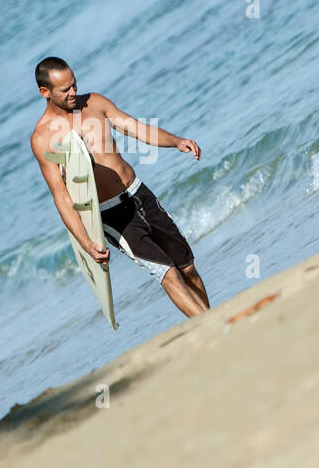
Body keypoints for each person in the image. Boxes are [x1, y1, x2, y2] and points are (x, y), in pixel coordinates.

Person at [28, 57, 210, 317]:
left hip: (138, 192)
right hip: (110, 214)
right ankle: (212, 325)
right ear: (44, 92)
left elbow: (137, 128)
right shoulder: (43, 138)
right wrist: (86, 242)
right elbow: (62, 198)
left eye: (74, 85)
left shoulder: (94, 103)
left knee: (187, 267)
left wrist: (176, 141)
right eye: (65, 90)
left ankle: (214, 322)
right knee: (167, 273)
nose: (74, 93)